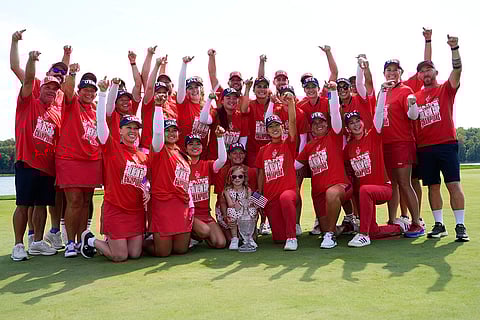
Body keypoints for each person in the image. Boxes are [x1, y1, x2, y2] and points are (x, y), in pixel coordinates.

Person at [10, 29, 71, 251]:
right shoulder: (31, 98)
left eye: (56, 87)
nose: (52, 90)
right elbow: (25, 76)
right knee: (23, 204)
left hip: (47, 165)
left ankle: (36, 242)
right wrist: (28, 55)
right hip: (27, 161)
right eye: (49, 86)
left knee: (41, 205)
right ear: (41, 85)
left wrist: (67, 58)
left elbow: (62, 79)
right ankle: (19, 244)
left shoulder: (57, 105)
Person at [80, 79, 148, 261]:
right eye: (128, 128)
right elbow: (101, 121)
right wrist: (102, 93)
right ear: (121, 130)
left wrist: (146, 187)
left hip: (135, 211)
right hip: (116, 209)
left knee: (135, 254)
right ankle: (90, 239)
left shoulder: (142, 155)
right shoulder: (111, 147)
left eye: (136, 128)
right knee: (120, 256)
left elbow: (143, 179)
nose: (133, 131)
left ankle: (108, 241)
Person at [412, 35, 469, 242]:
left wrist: (455, 48)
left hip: (446, 144)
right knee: (432, 186)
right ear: (419, 75)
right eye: (422, 70)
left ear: (435, 72)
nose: (426, 73)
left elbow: (458, 71)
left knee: (453, 184)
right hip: (425, 147)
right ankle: (439, 224)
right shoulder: (415, 97)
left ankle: (460, 225)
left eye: (429, 69)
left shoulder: (445, 89)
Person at [343, 82, 410, 247]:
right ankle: (398, 227)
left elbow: (379, 113)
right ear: (348, 128)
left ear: (363, 122)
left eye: (358, 121)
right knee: (374, 229)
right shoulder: (348, 148)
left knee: (364, 190)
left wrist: (383, 92)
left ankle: (363, 235)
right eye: (351, 123)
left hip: (383, 190)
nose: (356, 124)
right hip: (366, 196)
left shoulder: (373, 136)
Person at [295, 82, 352, 249]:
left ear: (327, 125)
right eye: (315, 123)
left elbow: (334, 113)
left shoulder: (333, 136)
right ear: (311, 127)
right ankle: (343, 228)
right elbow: (294, 166)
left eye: (322, 122)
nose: (318, 125)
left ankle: (330, 235)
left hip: (340, 186)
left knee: (332, 194)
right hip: (318, 192)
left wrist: (333, 92)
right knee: (326, 226)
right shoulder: (309, 146)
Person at [56, 66, 102, 257]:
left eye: (92, 91)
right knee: (73, 201)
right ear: (79, 91)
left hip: (91, 160)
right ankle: (70, 243)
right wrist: (72, 75)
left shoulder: (95, 110)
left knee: (85, 201)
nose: (89, 94)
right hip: (70, 159)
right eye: (86, 90)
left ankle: (83, 240)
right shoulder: (72, 102)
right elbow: (67, 90)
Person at [381, 59, 424, 237]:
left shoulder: (405, 90)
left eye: (395, 70)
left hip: (402, 142)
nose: (392, 73)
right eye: (388, 70)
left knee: (405, 183)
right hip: (386, 144)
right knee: (392, 185)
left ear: (400, 73)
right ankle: (393, 220)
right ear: (384, 73)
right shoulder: (383, 92)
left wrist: (413, 104)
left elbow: (413, 115)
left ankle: (417, 222)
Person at [145, 105, 193, 257]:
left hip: (181, 205)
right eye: (168, 130)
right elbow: (157, 133)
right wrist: (158, 108)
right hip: (163, 203)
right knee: (163, 252)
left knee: (180, 250)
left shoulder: (181, 153)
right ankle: (140, 241)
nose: (171, 133)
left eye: (174, 130)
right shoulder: (159, 149)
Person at [255, 91, 298, 250]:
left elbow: (293, 123)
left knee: (286, 198)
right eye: (270, 126)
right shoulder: (263, 150)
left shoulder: (288, 144)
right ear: (267, 130)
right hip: (270, 198)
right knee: (279, 238)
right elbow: (260, 173)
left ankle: (292, 237)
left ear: (282, 127)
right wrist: (259, 197)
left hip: (289, 191)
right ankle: (286, 234)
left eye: (277, 126)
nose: (274, 129)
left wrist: (291, 103)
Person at [186, 127, 228, 249]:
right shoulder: (182, 164)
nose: (195, 146)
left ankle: (197, 237)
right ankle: (191, 235)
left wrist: (220, 138)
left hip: (206, 214)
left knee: (220, 243)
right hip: (190, 214)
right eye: (191, 144)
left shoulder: (207, 165)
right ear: (186, 148)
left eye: (198, 143)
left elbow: (222, 160)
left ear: (202, 147)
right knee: (204, 231)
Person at [213, 143, 258, 241]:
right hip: (229, 209)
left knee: (251, 238)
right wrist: (225, 216)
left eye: (241, 153)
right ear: (229, 155)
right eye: (234, 153)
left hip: (244, 209)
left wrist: (255, 216)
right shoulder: (222, 171)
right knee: (230, 240)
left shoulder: (251, 171)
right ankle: (222, 227)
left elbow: (254, 195)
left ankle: (251, 230)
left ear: (245, 155)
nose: (238, 156)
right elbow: (221, 198)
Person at [200, 88, 249, 159]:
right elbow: (203, 120)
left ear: (238, 101)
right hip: (214, 160)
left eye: (234, 98)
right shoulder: (216, 112)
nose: (231, 100)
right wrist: (209, 99)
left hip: (231, 162)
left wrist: (237, 160)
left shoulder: (241, 117)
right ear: (222, 101)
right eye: (228, 98)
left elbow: (242, 144)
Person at [176, 56, 209, 155]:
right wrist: (184, 64)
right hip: (183, 153)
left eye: (196, 87)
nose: (194, 90)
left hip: (201, 155)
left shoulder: (208, 107)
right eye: (190, 88)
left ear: (201, 89)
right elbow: (181, 84)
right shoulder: (184, 104)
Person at [223, 166, 258, 250]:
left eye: (240, 176)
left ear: (244, 178)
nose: (237, 179)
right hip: (235, 211)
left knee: (252, 210)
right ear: (230, 178)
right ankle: (235, 238)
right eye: (234, 177)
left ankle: (248, 238)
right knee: (230, 211)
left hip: (245, 211)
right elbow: (230, 204)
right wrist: (239, 203)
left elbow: (249, 201)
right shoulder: (227, 190)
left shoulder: (247, 189)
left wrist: (252, 204)